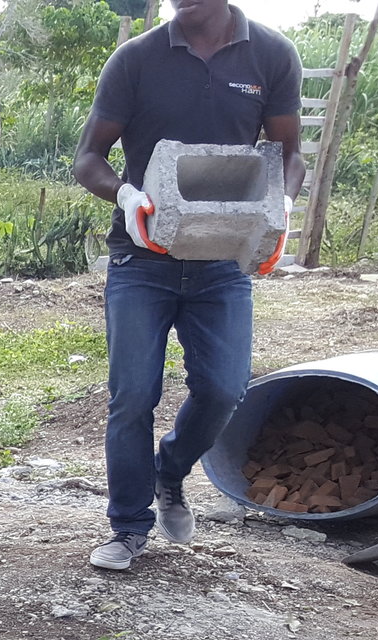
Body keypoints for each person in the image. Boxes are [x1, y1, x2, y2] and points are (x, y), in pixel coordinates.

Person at [75, 0, 303, 571]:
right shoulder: (137, 59)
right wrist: (126, 196)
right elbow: (88, 158)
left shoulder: (271, 55)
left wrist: (283, 206)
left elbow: (289, 153)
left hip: (221, 261)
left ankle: (169, 472)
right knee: (132, 396)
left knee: (225, 389)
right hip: (141, 258)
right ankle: (128, 527)